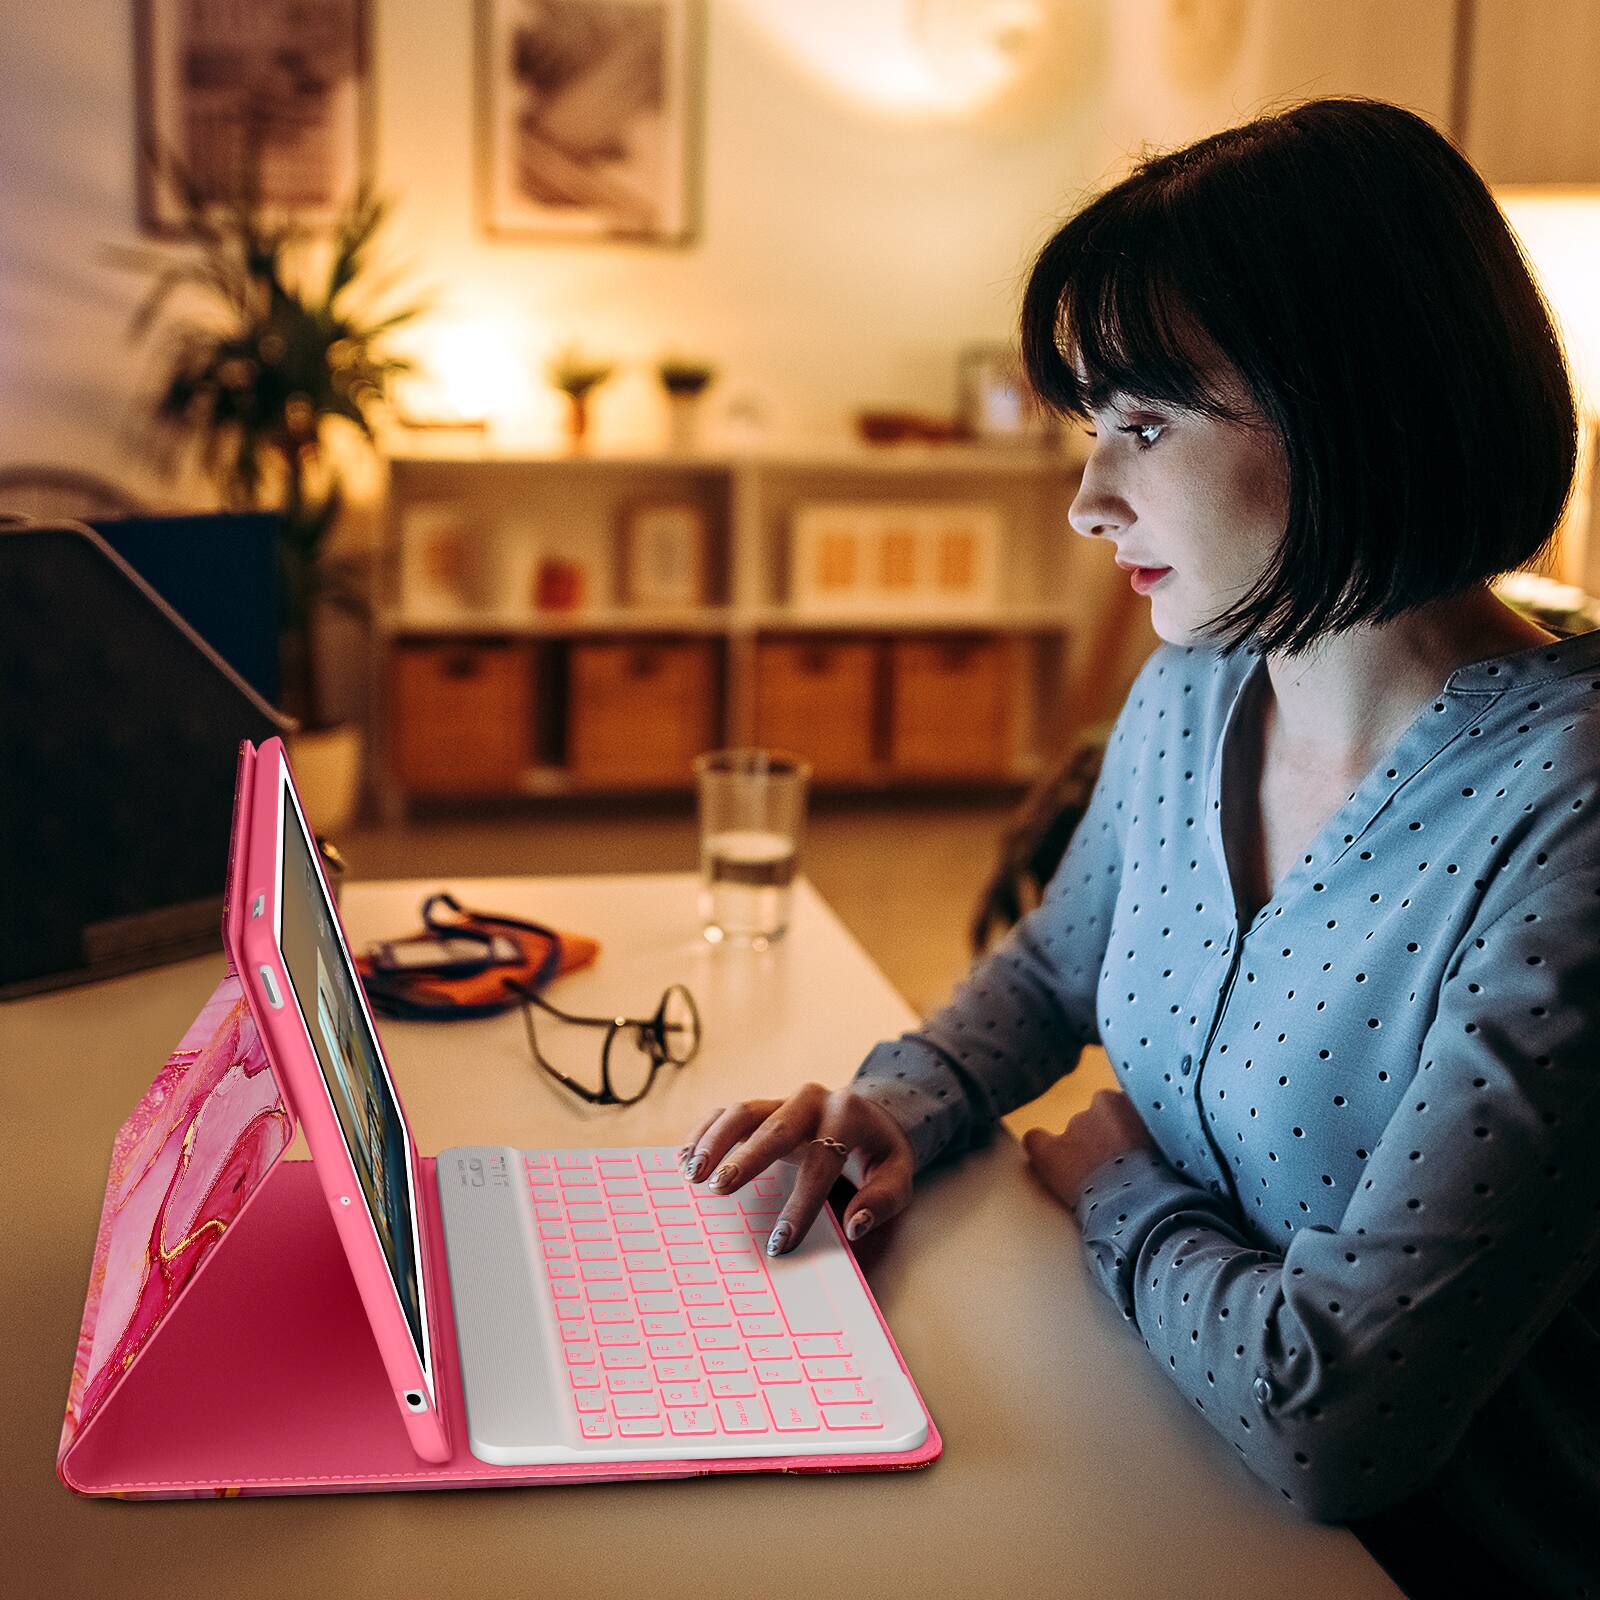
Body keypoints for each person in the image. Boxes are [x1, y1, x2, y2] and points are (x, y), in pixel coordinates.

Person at [677, 98, 1600, 1594]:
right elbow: (1062, 959)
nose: (1088, 500)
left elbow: (1338, 1421)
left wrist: (1116, 1186)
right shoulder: (1195, 686)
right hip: (1155, 1440)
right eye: (1091, 429)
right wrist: (903, 1104)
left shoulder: (1567, 817)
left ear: (1349, 401)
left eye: (1145, 427)